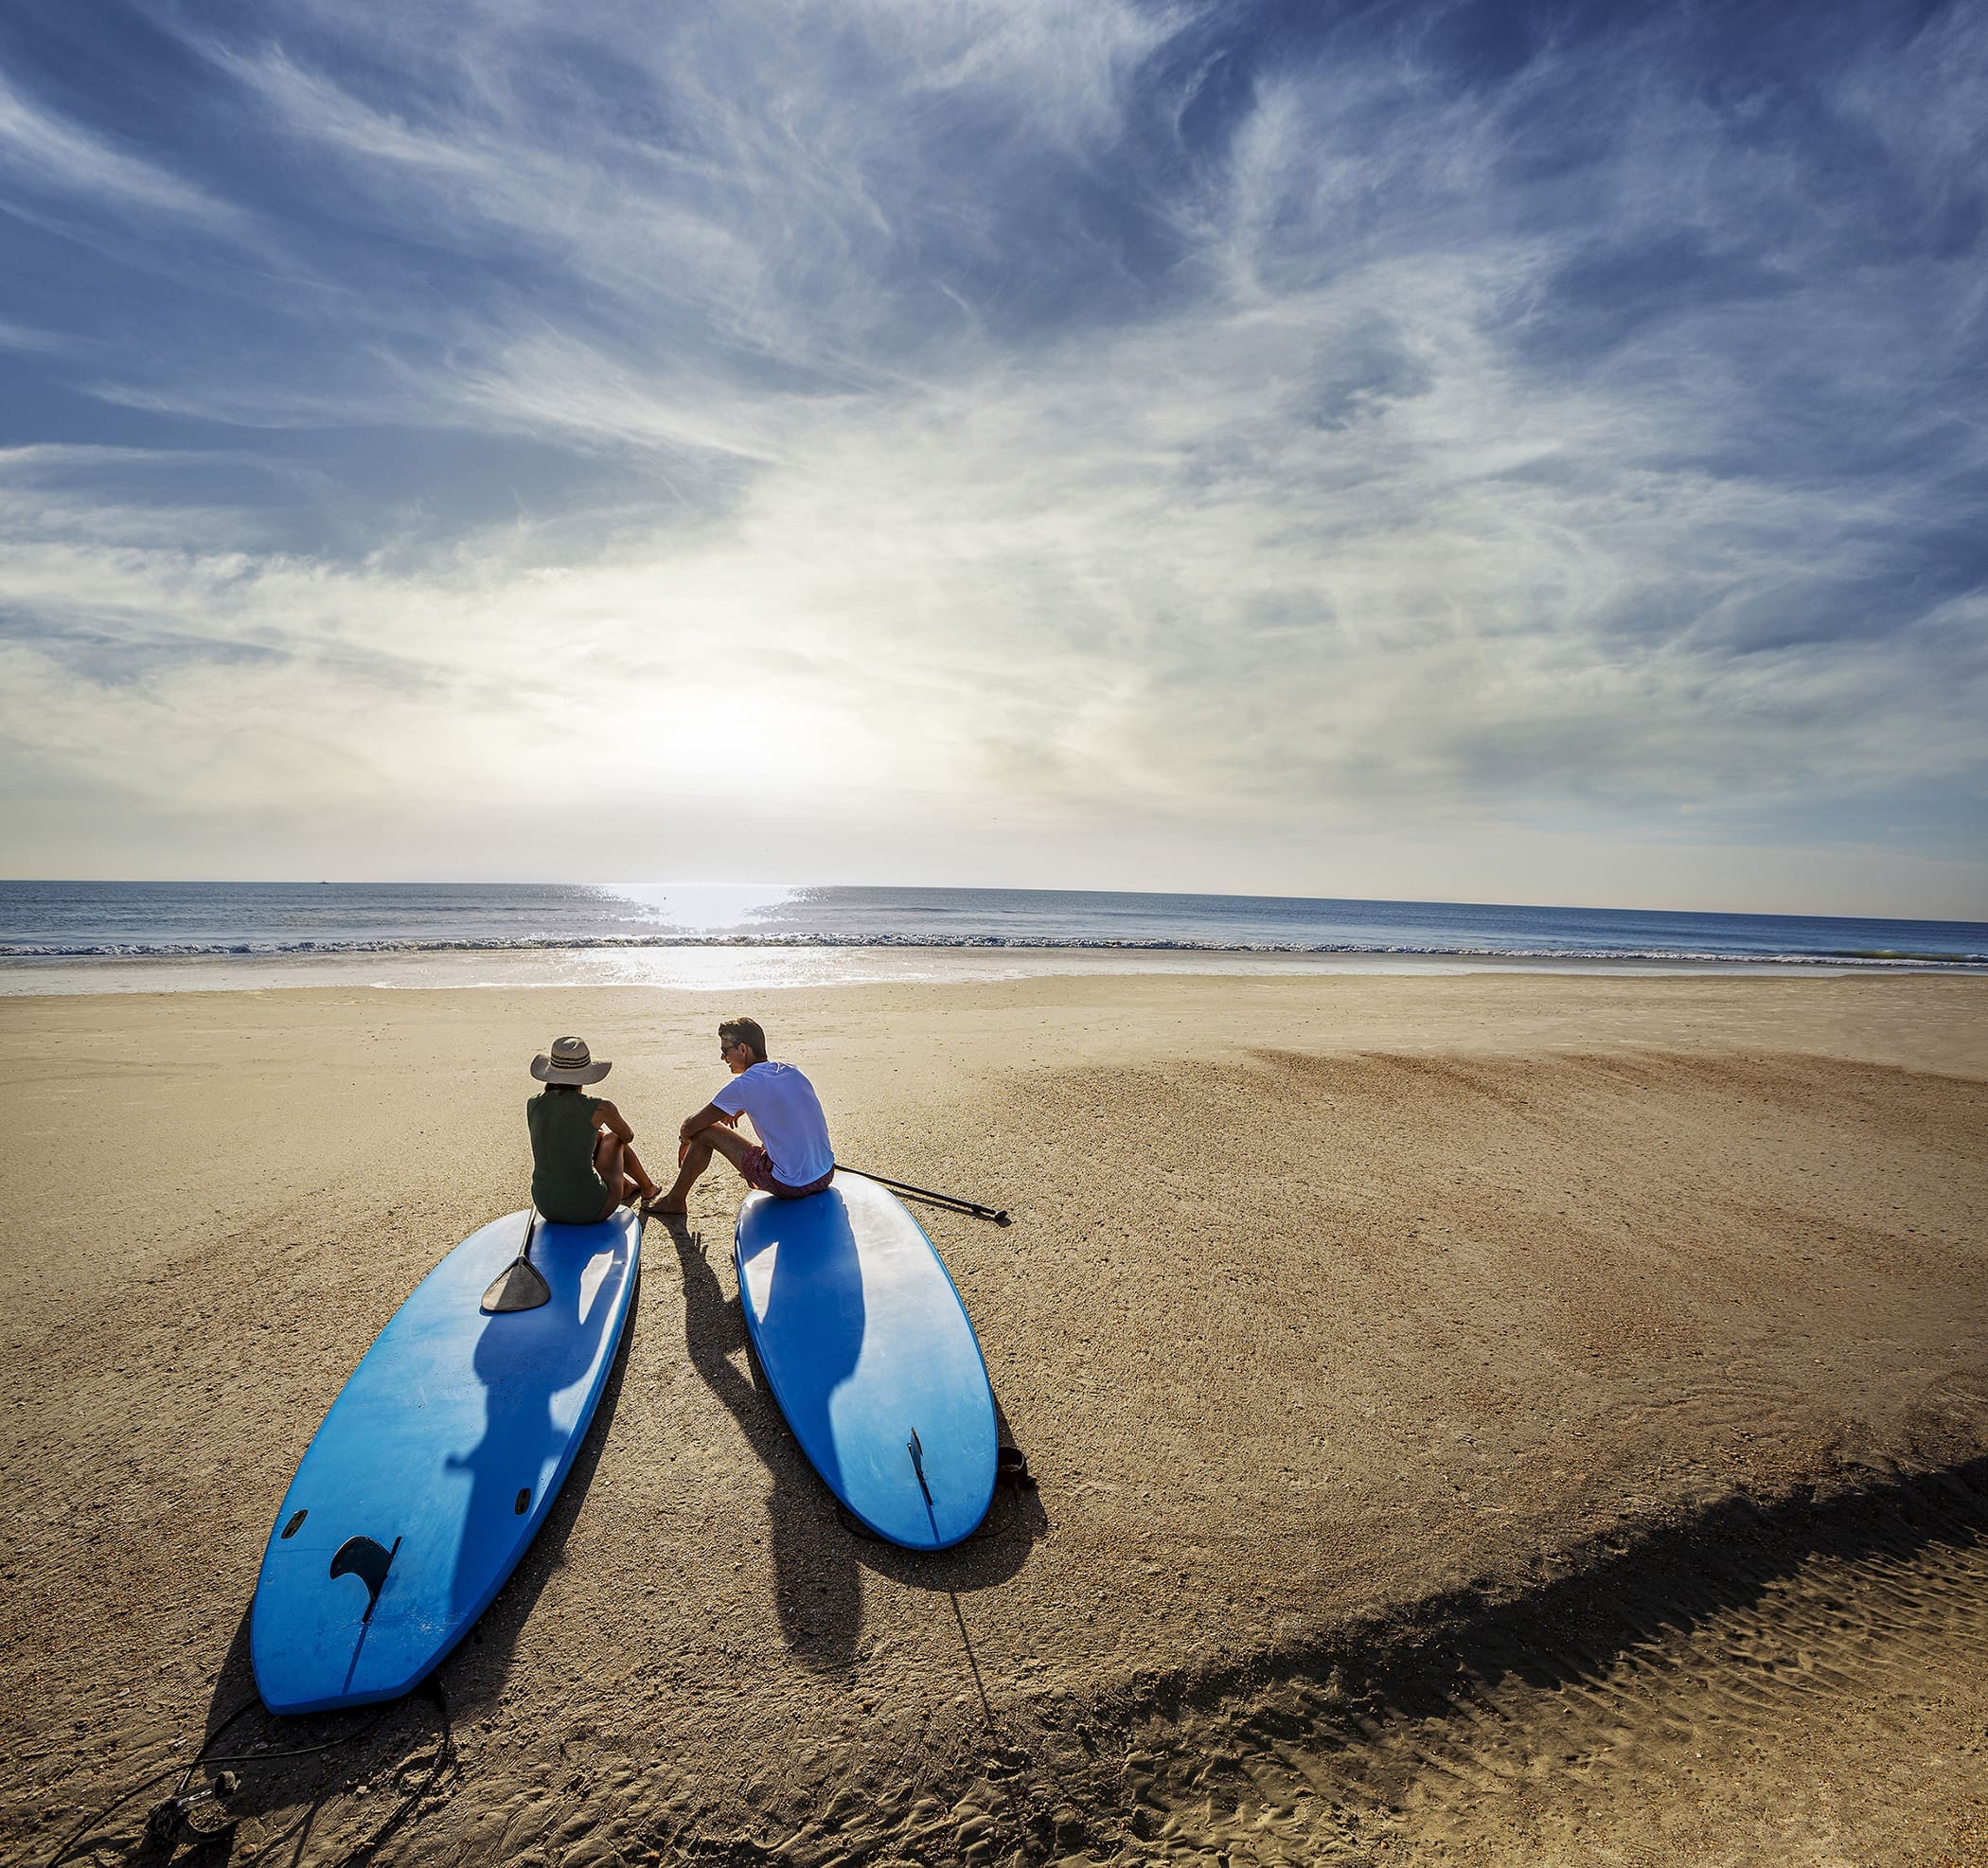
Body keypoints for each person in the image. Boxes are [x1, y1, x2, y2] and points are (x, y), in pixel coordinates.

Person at [649, 1016, 835, 1214]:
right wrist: (743, 1108)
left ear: (743, 1049)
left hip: (791, 1186)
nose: (723, 1058)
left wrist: (685, 1140)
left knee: (707, 1131)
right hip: (825, 1175)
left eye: (725, 1050)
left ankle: (675, 1200)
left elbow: (691, 1126)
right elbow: (784, 1104)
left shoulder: (744, 1085)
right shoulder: (791, 1071)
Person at [525, 1035, 666, 1223]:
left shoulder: (533, 1103)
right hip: (590, 1208)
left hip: (545, 1206)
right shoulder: (600, 1107)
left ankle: (627, 1186)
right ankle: (647, 1188)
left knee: (593, 1137)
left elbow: (558, 1136)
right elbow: (627, 1136)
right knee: (613, 1138)